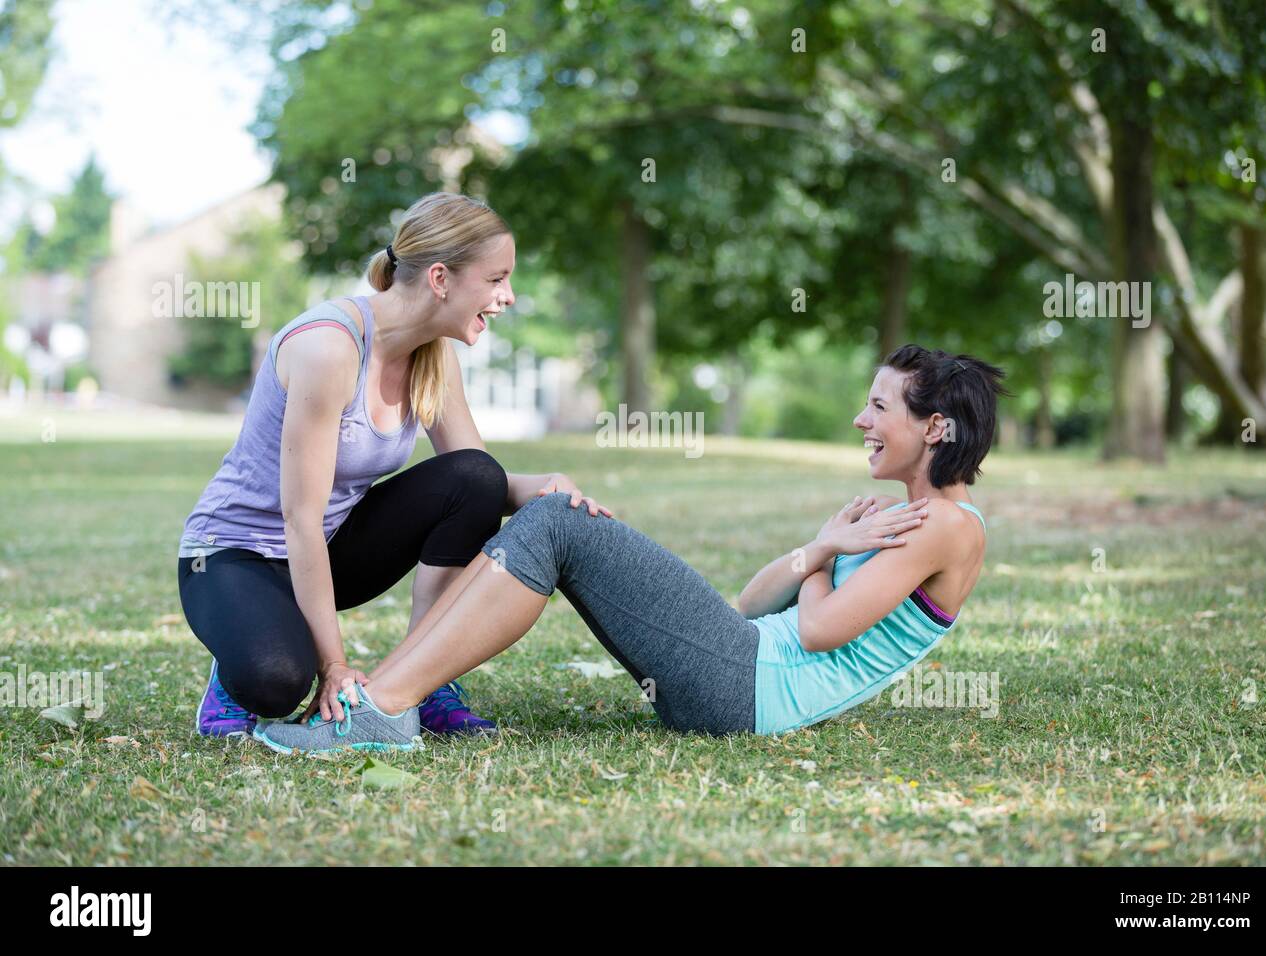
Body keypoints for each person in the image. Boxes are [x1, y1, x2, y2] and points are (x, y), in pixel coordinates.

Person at [253, 344, 1007, 753]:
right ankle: (379, 702)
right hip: (739, 660)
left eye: (879, 406)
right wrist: (820, 550)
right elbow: (748, 604)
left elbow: (818, 629)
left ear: (935, 427)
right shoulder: (905, 518)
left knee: (555, 521)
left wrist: (824, 556)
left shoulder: (945, 527)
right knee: (556, 523)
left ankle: (378, 708)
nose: (859, 419)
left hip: (747, 691)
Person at [179, 192, 612, 738]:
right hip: (235, 555)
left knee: (475, 475)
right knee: (276, 682)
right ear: (440, 279)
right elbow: (299, 518)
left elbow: (475, 479)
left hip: (331, 550)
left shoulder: (433, 353)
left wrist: (544, 488)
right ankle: (235, 661)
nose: (509, 296)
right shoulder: (328, 348)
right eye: (497, 279)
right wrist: (333, 666)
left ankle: (422, 683)